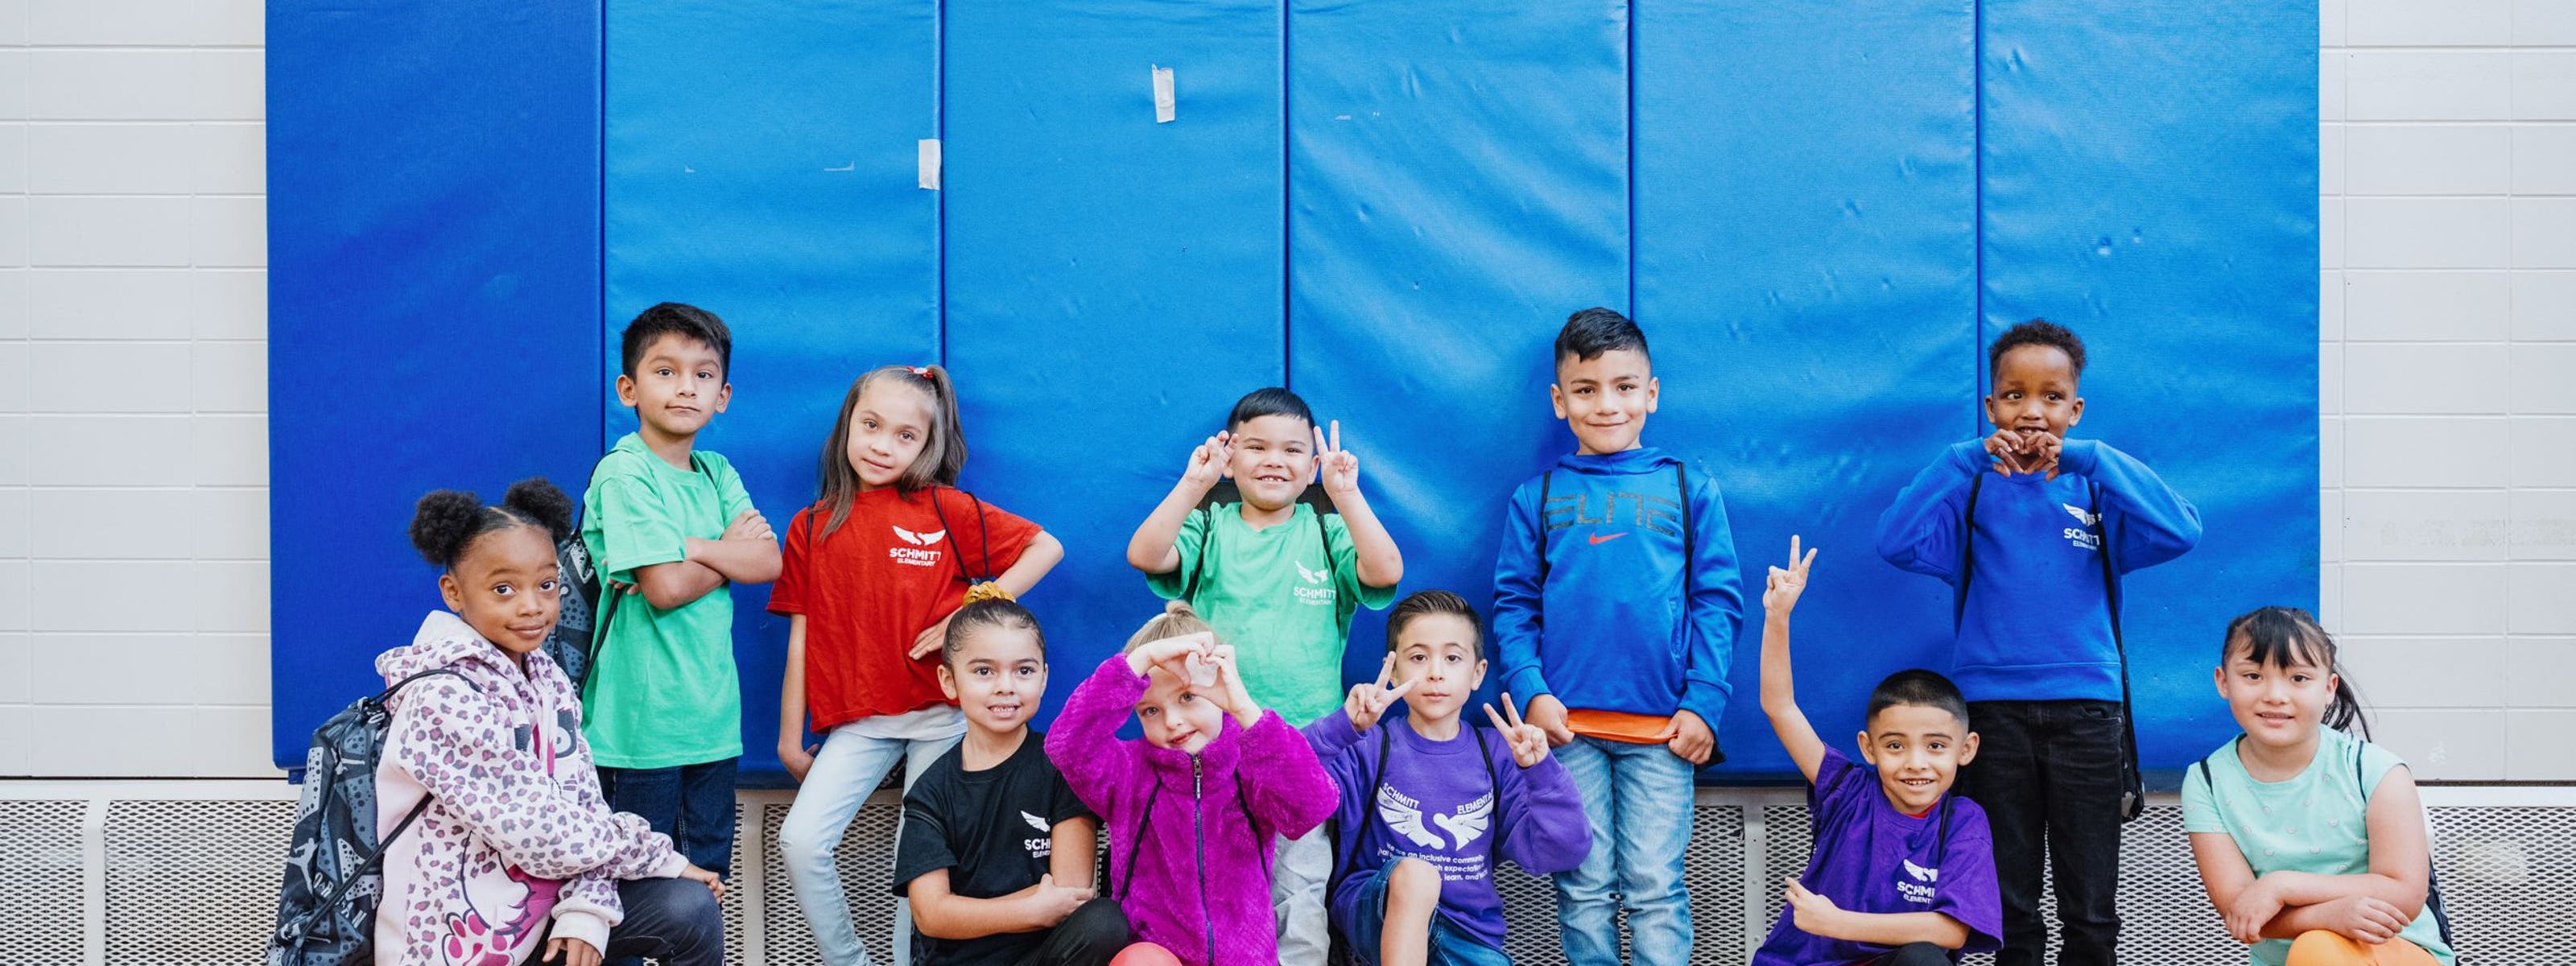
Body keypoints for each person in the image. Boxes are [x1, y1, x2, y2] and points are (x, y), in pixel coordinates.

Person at [1875, 318, 2202, 966]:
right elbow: (1894, 541)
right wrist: (1962, 458)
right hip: (1992, 719)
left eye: (2052, 397)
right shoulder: (1971, 490)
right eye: (2014, 395)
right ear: (1990, 405)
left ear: (2074, 410)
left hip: (2089, 716)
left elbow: (2182, 529)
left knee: (2091, 911)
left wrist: (2092, 457)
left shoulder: (2096, 486)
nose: (2032, 411)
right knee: (2009, 906)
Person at [772, 364, 1065, 966]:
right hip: (860, 724)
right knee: (799, 842)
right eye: (871, 425)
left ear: (928, 444)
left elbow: (1046, 547)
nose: (883, 445)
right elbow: (802, 636)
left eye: (905, 435)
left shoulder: (946, 509)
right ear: (847, 425)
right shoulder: (811, 525)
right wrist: (788, 739)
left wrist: (974, 602)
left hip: (942, 720)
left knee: (922, 866)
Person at [376, 481, 725, 966]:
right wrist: (658, 856)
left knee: (688, 910)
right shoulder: (441, 697)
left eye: (546, 585)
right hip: (454, 945)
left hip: (537, 918)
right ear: (453, 593)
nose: (532, 606)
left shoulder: (548, 679)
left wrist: (586, 910)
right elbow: (538, 830)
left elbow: (583, 807)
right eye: (504, 589)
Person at [1491, 307, 1742, 965]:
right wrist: (1533, 692)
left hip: (1663, 732)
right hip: (1567, 730)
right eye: (1586, 389)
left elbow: (1717, 603)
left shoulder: (1689, 488)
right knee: (1582, 889)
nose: (1606, 405)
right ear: (1560, 400)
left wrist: (1704, 703)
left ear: (1651, 393)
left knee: (1656, 888)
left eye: (1624, 387)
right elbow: (1514, 607)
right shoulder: (1537, 496)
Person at [1125, 386, 1402, 966]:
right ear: (1230, 459)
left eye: (1292, 450)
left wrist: (1346, 495)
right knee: (1223, 888)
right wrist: (1194, 484)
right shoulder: (1210, 526)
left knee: (1298, 891)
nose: (1275, 460)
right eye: (1257, 447)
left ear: (1312, 468)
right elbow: (1146, 555)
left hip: (1302, 748)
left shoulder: (1325, 532)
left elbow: (1384, 571)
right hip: (1214, 748)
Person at [580, 301, 781, 882]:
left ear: (723, 396)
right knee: (639, 898)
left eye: (703, 374)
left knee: (706, 888)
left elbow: (768, 561)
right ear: (628, 389)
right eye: (665, 371)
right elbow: (664, 588)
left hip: (712, 723)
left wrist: (689, 546)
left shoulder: (717, 472)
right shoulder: (625, 472)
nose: (686, 387)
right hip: (639, 731)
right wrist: (725, 547)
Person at [1303, 590, 1590, 966]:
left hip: (1468, 935)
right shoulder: (1370, 745)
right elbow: (1287, 778)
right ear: (1393, 670)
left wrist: (1542, 772)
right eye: (1418, 658)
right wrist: (1344, 726)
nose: (1435, 672)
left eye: (1452, 658)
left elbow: (1564, 851)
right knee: (1417, 876)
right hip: (1376, 913)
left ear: (1478, 673)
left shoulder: (1498, 754)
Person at [1751, 537, 2001, 966]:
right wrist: (1778, 616)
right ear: (1868, 748)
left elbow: (1950, 930)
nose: (1916, 763)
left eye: (1936, 746)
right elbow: (1780, 707)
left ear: (1966, 749)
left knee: (1924, 959)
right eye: (1896, 745)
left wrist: (1837, 922)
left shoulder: (1963, 821)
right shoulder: (1846, 792)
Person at [1044, 603, 1340, 966]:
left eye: (1187, 697)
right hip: (1158, 957)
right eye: (1151, 710)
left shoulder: (1251, 762)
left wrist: (1243, 708)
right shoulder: (1127, 771)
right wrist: (1138, 663)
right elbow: (1066, 745)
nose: (1173, 721)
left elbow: (1313, 805)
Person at [2183, 607, 2455, 966]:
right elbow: (2242, 912)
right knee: (2315, 946)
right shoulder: (2206, 780)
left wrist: (2282, 885)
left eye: (2298, 678)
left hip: (2394, 951)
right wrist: (2328, 916)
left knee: (2317, 948)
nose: (2275, 695)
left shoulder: (2375, 770)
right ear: (2223, 681)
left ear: (2328, 688)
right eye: (2253, 676)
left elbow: (2404, 893)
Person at [894, 600, 1128, 966]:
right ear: (949, 681)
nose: (1006, 686)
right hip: (962, 961)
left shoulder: (1061, 766)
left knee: (1104, 922)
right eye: (984, 671)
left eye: (1024, 670)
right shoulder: (931, 792)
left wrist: (965, 910)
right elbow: (932, 914)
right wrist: (1031, 909)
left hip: (1042, 957)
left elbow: (1070, 894)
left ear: (1044, 678)